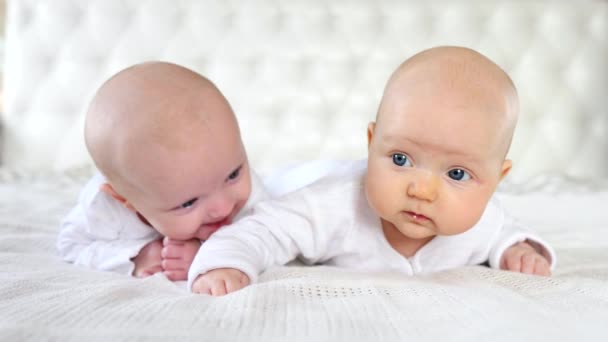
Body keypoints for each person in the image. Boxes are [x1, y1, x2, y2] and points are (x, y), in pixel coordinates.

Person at [188, 46, 556, 295]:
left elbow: (506, 233)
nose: (422, 191)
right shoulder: (330, 206)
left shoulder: (482, 221)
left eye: (456, 174)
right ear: (372, 141)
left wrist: (519, 250)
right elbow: (264, 230)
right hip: (295, 182)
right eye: (400, 159)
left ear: (495, 182)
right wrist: (226, 265)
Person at [56, 61, 335, 281]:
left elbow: (268, 239)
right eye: (188, 202)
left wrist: (208, 255)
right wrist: (138, 256)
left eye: (234, 174)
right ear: (125, 201)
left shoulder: (249, 199)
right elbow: (71, 246)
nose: (223, 206)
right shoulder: (102, 209)